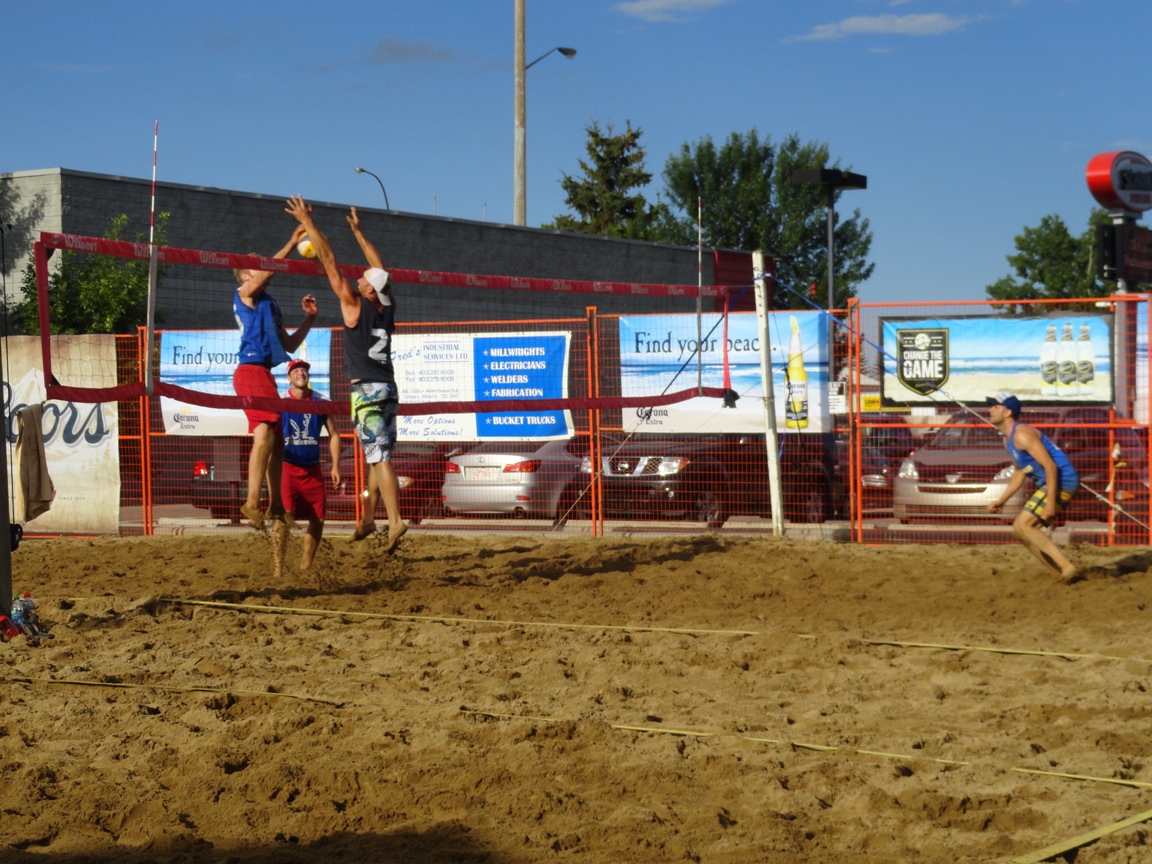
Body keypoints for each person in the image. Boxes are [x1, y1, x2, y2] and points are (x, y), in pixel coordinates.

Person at [283, 196, 407, 553]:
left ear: (368, 290)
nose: (360, 276)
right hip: (388, 388)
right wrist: (358, 232)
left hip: (366, 391)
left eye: (364, 279)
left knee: (379, 458)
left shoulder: (354, 304)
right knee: (375, 454)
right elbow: (380, 269)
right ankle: (368, 518)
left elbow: (329, 261)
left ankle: (395, 520)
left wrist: (309, 223)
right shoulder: (386, 306)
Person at [232, 226, 318, 530]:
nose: (264, 268)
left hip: (264, 373)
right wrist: (292, 243)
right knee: (265, 434)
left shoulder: (270, 304)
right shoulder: (244, 294)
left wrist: (309, 319)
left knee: (278, 440)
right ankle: (251, 502)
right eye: (257, 266)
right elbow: (268, 272)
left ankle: (276, 505)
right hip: (249, 371)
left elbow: (289, 344)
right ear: (246, 276)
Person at [985, 392, 1081, 583]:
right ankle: (1059, 575)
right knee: (1021, 531)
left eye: (996, 406)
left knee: (1024, 525)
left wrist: (1050, 504)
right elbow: (1020, 472)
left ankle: (1066, 566)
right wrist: (1002, 500)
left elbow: (1050, 466)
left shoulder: (1021, 434)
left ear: (1008, 413)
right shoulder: (1007, 439)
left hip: (1063, 481)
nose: (990, 409)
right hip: (1052, 482)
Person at [272, 358, 342, 578]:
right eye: (296, 370)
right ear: (288, 377)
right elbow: (268, 436)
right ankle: (278, 568)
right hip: (287, 467)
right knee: (283, 518)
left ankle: (305, 566)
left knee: (318, 519)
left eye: (304, 370)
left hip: (312, 469)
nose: (301, 373)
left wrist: (336, 465)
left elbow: (334, 435)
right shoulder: (279, 401)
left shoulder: (321, 401)